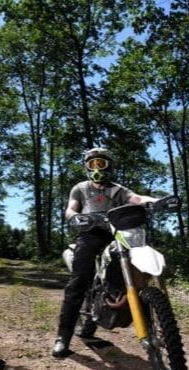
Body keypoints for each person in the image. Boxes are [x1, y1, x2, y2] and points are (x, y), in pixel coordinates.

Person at [52, 147, 159, 358]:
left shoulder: (118, 190)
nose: (97, 168)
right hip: (90, 233)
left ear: (109, 165)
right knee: (78, 281)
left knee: (135, 266)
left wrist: (156, 201)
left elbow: (136, 198)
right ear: (87, 167)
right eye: (93, 164)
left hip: (117, 234)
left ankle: (150, 321)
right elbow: (71, 208)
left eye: (101, 163)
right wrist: (74, 216)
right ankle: (63, 336)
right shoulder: (81, 188)